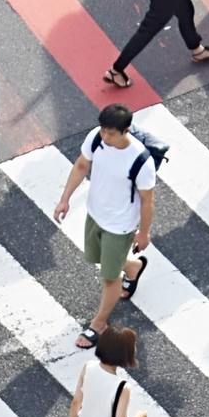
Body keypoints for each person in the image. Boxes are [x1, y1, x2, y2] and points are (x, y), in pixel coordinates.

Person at [54, 105, 161, 349]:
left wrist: (143, 233)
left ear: (126, 131)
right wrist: (65, 198)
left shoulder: (140, 160)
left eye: (111, 133)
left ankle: (99, 324)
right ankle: (132, 267)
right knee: (97, 257)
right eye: (103, 131)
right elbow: (82, 165)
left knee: (109, 278)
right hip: (95, 214)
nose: (105, 137)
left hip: (120, 226)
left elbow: (147, 200)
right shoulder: (95, 138)